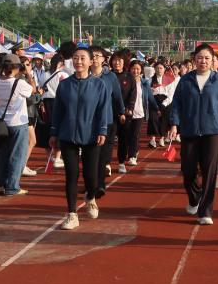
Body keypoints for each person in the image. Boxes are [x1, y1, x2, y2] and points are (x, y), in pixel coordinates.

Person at [167, 44, 218, 225]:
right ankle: (194, 197)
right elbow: (177, 104)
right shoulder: (185, 81)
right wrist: (174, 124)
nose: (203, 61)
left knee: (210, 172)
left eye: (207, 58)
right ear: (194, 60)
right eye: (200, 57)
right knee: (188, 170)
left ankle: (206, 211)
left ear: (213, 60)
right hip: (190, 132)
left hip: (214, 132)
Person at [50, 46, 112, 230]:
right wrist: (54, 133)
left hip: (91, 136)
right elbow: (58, 111)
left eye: (83, 58)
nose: (78, 61)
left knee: (91, 176)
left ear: (91, 61)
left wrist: (102, 130)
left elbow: (103, 110)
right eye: (75, 58)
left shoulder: (99, 85)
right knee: (71, 175)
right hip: (68, 135)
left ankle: (90, 198)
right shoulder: (64, 84)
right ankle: (71, 213)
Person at [0, 54, 34, 196]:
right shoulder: (19, 83)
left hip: (2, 123)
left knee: (4, 154)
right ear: (17, 68)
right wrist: (28, 73)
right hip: (18, 123)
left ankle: (1, 184)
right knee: (17, 156)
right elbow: (33, 90)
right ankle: (12, 187)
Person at [89, 46, 125, 194]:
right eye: (93, 55)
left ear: (104, 59)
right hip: (87, 121)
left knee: (103, 155)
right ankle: (90, 183)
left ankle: (100, 185)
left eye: (99, 56)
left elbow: (117, 96)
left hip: (106, 120)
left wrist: (121, 112)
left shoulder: (110, 77)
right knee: (90, 155)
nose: (95, 58)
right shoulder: (83, 76)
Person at [119, 60, 157, 171]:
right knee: (126, 136)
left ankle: (132, 156)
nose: (135, 71)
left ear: (141, 70)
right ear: (129, 69)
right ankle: (128, 153)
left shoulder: (144, 83)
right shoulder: (124, 81)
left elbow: (150, 97)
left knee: (135, 135)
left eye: (137, 69)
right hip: (127, 113)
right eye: (133, 68)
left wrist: (156, 108)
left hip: (139, 113)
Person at [148, 62, 177, 148]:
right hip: (154, 101)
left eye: (161, 68)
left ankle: (161, 138)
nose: (159, 70)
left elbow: (171, 94)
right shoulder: (150, 80)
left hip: (165, 101)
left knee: (164, 120)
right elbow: (149, 92)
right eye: (157, 68)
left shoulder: (169, 80)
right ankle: (152, 139)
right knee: (153, 118)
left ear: (164, 69)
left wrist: (164, 104)